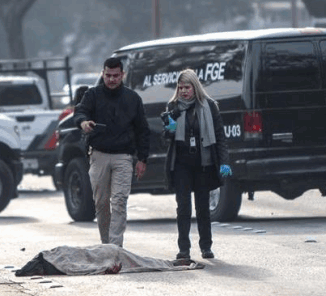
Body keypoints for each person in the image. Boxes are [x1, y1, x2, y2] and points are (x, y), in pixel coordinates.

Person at [72, 57, 150, 247]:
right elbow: (80, 112)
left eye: (116, 76)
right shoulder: (93, 95)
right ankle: (106, 244)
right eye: (108, 75)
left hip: (124, 157)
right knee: (101, 203)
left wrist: (142, 159)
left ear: (122, 75)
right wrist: (84, 123)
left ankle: (115, 248)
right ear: (103, 74)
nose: (112, 79)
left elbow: (143, 130)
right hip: (98, 155)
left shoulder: (133, 99)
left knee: (120, 201)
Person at [161, 69, 230, 261]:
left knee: (202, 207)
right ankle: (184, 249)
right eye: (180, 87)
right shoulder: (173, 106)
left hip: (204, 163)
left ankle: (206, 247)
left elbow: (220, 136)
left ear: (195, 87)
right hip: (182, 164)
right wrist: (170, 130)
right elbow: (165, 138)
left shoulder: (209, 106)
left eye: (187, 87)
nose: (183, 91)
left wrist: (224, 162)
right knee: (183, 207)